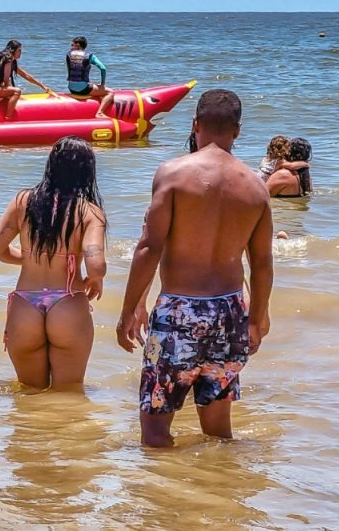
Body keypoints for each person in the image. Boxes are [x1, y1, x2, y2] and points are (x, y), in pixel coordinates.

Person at [116, 89, 273, 447]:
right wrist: (257, 318)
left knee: (155, 430)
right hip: (230, 312)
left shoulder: (173, 174)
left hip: (180, 311)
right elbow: (262, 263)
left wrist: (129, 310)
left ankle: (167, 484)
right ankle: (220, 480)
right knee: (218, 430)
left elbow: (149, 247)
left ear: (195, 124)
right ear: (237, 130)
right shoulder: (255, 187)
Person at [0, 137, 107, 389]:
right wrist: (95, 280)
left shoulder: (23, 202)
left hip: (25, 305)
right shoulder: (89, 212)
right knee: (68, 393)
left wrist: (29, 259)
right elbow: (96, 265)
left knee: (29, 393)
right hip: (67, 303)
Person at [0, 39, 53, 119]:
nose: (20, 53)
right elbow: (6, 80)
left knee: (11, 89)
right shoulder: (8, 60)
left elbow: (26, 75)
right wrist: (10, 91)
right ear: (13, 50)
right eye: (19, 50)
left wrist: (42, 86)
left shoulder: (8, 59)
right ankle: (8, 117)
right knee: (16, 91)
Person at [66, 36, 114, 118]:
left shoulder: (68, 55)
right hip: (83, 89)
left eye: (72, 45)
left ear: (77, 45)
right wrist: (102, 84)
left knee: (89, 83)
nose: (71, 46)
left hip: (71, 88)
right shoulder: (90, 56)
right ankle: (99, 113)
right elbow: (103, 68)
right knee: (111, 92)